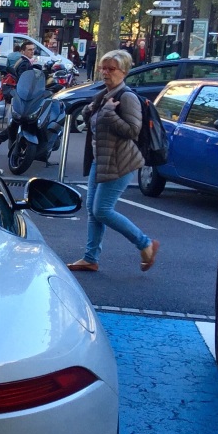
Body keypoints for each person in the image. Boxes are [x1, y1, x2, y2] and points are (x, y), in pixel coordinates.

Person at [66, 49, 159, 274]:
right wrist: (91, 112)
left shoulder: (126, 97)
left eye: (111, 69)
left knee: (102, 210)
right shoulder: (104, 94)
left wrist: (109, 114)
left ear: (124, 72)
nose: (106, 73)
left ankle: (145, 243)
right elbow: (96, 125)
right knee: (93, 210)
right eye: (103, 68)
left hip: (120, 162)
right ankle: (90, 258)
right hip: (103, 160)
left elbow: (132, 130)